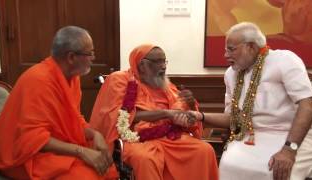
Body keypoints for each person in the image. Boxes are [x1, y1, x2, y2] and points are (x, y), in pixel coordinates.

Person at [192, 22, 312, 180]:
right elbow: (233, 118)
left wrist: (289, 150)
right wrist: (200, 116)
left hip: (296, 138)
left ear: (250, 47)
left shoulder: (284, 60)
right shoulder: (231, 74)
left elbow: (309, 104)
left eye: (231, 49)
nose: (225, 55)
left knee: (274, 171)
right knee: (228, 165)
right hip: (253, 136)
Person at [0, 26, 117, 179]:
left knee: (107, 168)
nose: (93, 58)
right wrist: (82, 151)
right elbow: (33, 138)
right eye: (90, 53)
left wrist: (95, 134)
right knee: (86, 176)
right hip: (25, 156)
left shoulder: (72, 78)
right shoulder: (38, 80)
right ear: (71, 57)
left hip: (52, 148)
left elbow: (73, 118)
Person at [90, 44, 219, 180]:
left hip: (169, 135)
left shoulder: (165, 85)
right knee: (146, 159)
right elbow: (118, 117)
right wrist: (166, 113)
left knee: (204, 150)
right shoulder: (120, 80)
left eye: (164, 61)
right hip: (135, 138)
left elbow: (180, 112)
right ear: (142, 66)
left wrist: (190, 106)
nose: (163, 66)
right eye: (158, 62)